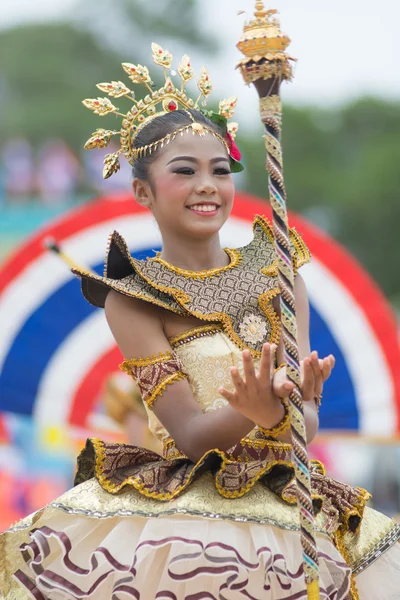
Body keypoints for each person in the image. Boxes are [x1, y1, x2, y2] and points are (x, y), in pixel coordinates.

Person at [1, 45, 400, 600]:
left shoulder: (279, 270)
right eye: (184, 171)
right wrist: (254, 413)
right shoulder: (132, 297)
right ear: (142, 190)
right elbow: (188, 436)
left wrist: (292, 412)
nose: (207, 185)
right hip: (183, 528)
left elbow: (304, 431)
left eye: (220, 170)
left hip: (290, 510)